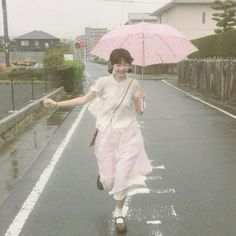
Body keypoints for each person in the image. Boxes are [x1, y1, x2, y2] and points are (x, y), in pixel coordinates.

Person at [43, 48, 152, 233]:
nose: (122, 68)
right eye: (118, 64)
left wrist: (139, 99)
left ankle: (118, 213)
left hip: (129, 134)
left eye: (126, 64)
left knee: (123, 173)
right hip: (108, 134)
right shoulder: (103, 82)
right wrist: (56, 104)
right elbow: (84, 100)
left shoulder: (134, 84)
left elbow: (140, 112)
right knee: (109, 173)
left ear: (130, 65)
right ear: (112, 65)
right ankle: (102, 175)